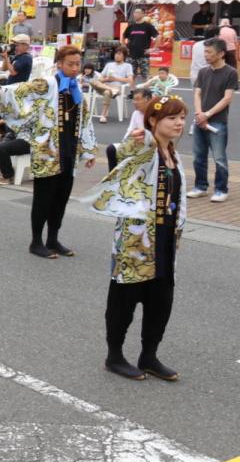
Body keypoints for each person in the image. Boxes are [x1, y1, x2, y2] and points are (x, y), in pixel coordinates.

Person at [86, 96, 187, 382]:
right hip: (135, 241)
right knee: (124, 300)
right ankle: (114, 356)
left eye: (181, 117)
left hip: (165, 240)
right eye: (172, 117)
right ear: (153, 121)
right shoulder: (145, 146)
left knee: (161, 300)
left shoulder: (173, 153)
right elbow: (113, 153)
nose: (179, 123)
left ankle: (149, 355)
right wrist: (134, 140)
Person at [0, 46, 97, 258]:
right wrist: (0, 91)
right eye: (70, 64)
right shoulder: (48, 83)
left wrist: (88, 151)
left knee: (61, 197)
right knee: (43, 198)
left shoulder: (76, 89)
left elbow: (84, 121)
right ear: (59, 64)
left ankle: (53, 239)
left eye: (77, 64)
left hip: (68, 150)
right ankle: (36, 241)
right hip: (47, 150)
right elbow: (23, 89)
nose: (75, 68)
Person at [188, 37, 238, 202]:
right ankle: (200, 187)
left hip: (217, 122)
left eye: (209, 52)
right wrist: (199, 114)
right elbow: (197, 93)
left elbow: (227, 98)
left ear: (221, 53)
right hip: (200, 120)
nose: (206, 55)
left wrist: (206, 115)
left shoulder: (231, 72)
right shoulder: (203, 71)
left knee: (219, 158)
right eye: (205, 51)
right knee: (198, 156)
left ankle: (221, 189)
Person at [0, 114, 30, 184]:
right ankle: (5, 171)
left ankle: (8, 176)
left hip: (29, 140)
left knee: (1, 148)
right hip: (17, 136)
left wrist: (1, 121)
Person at [99, 47, 135, 119]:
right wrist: (107, 79)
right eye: (116, 53)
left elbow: (130, 80)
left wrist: (115, 79)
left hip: (117, 88)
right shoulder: (109, 64)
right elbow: (100, 78)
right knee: (94, 83)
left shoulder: (127, 66)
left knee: (107, 92)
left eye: (119, 54)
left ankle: (103, 114)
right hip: (105, 85)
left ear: (124, 56)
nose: (116, 55)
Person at [124, 8, 159, 79]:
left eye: (137, 12)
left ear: (143, 14)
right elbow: (123, 36)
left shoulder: (148, 26)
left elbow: (158, 36)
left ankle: (146, 90)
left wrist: (154, 48)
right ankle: (132, 90)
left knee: (146, 76)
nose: (135, 14)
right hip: (131, 56)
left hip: (143, 56)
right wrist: (124, 47)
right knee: (131, 76)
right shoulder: (131, 26)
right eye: (134, 12)